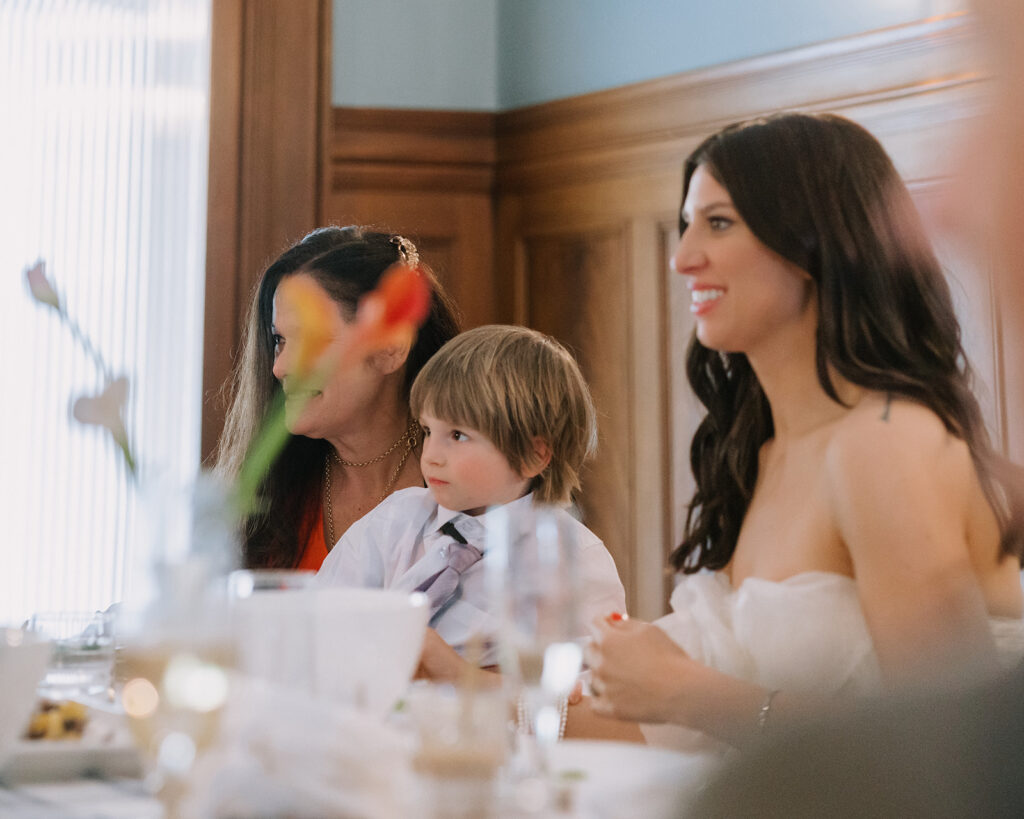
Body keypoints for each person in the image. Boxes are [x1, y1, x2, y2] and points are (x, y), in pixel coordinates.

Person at [574, 112, 1024, 762]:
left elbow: (953, 751)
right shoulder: (761, 449)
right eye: (686, 224)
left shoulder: (885, 442)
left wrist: (685, 689)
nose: (681, 258)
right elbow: (668, 722)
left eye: (719, 222)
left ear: (817, 241)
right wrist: (448, 683)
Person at [317, 324, 626, 667]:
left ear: (533, 455)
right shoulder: (394, 521)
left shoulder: (575, 562)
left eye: (458, 435)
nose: (431, 454)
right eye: (428, 430)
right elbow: (316, 622)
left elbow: (588, 688)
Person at [215, 226, 460, 571]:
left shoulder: (469, 483)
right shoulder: (263, 499)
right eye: (279, 340)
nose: (280, 367)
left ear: (391, 347)